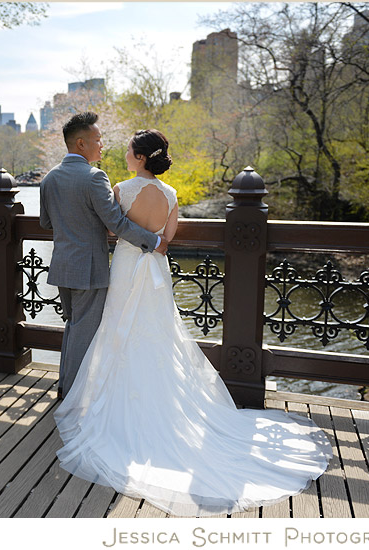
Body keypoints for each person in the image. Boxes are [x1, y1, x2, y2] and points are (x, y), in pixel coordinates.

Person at [53, 129, 333, 517]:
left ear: (137, 157)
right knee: (158, 332)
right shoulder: (170, 195)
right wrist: (152, 239)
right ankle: (163, 399)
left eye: (129, 151)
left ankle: (110, 399)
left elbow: (113, 227)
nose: (124, 155)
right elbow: (167, 238)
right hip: (155, 267)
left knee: (118, 330)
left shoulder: (121, 187)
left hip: (126, 265)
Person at [40, 113, 169, 400]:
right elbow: (117, 223)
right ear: (81, 143)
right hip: (89, 268)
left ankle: (64, 387)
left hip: (62, 265)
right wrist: (154, 241)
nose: (103, 145)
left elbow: (46, 223)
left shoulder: (49, 178)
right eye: (98, 140)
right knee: (84, 334)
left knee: (73, 327)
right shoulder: (95, 177)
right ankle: (72, 397)